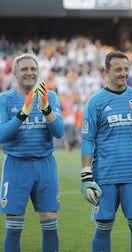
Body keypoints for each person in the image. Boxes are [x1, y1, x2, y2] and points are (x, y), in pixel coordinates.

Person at [80, 50, 132, 252]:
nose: (123, 73)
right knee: (103, 228)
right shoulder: (95, 102)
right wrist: (87, 176)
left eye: (126, 69)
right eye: (118, 69)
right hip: (104, 176)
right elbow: (87, 140)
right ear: (107, 71)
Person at [0, 53, 64, 252]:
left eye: (33, 69)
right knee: (14, 225)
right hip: (16, 165)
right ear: (16, 73)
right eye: (25, 69)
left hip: (45, 165)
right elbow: (2, 135)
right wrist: (23, 114)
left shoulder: (50, 96)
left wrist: (46, 110)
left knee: (50, 222)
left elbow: (59, 132)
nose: (29, 73)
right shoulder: (5, 99)